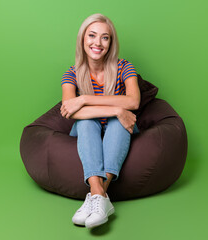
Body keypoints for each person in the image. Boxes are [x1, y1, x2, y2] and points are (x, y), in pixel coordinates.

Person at [60, 13, 140, 229]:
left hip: (119, 129)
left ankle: (96, 197)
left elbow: (133, 101)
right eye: (92, 36)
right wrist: (116, 109)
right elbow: (70, 111)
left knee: (119, 122)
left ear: (111, 43)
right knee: (87, 123)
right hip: (88, 127)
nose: (97, 43)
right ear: (82, 39)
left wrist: (85, 99)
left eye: (105, 38)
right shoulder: (71, 74)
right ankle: (101, 197)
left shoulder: (124, 67)